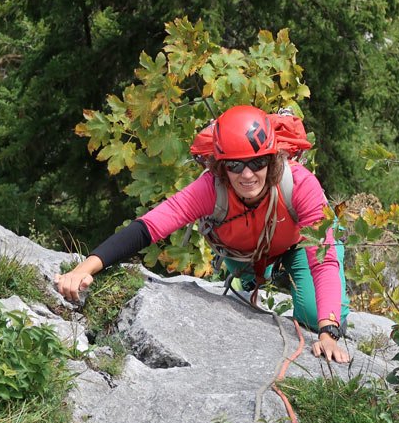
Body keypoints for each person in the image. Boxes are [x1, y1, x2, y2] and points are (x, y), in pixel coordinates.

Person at [55, 105, 351, 363]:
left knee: (312, 314)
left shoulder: (299, 184)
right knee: (251, 279)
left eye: (258, 162)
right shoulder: (211, 187)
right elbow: (149, 227)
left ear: (272, 160)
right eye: (235, 165)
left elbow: (323, 259)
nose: (247, 174)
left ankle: (303, 285)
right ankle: (263, 276)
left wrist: (328, 332)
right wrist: (84, 268)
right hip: (244, 253)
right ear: (222, 167)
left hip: (298, 243)